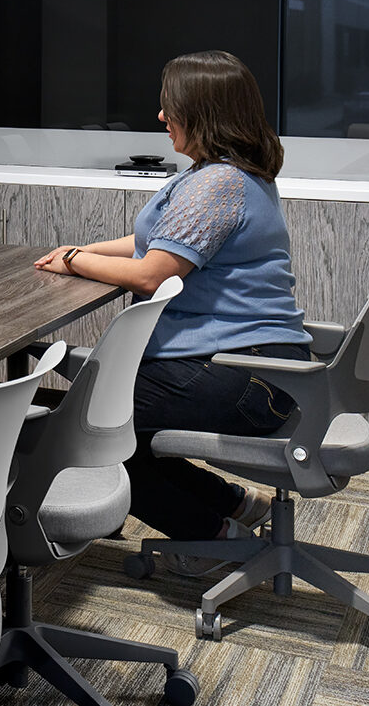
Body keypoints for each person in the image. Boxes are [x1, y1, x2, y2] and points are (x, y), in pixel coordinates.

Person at [33, 50, 307, 561]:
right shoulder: (225, 173)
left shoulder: (219, 184)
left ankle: (211, 537)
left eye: (170, 108)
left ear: (205, 114)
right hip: (259, 369)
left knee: (89, 429)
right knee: (114, 423)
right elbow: (156, 243)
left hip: (249, 377)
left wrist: (74, 261)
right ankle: (233, 506)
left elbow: (153, 272)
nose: (161, 117)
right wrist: (84, 251)